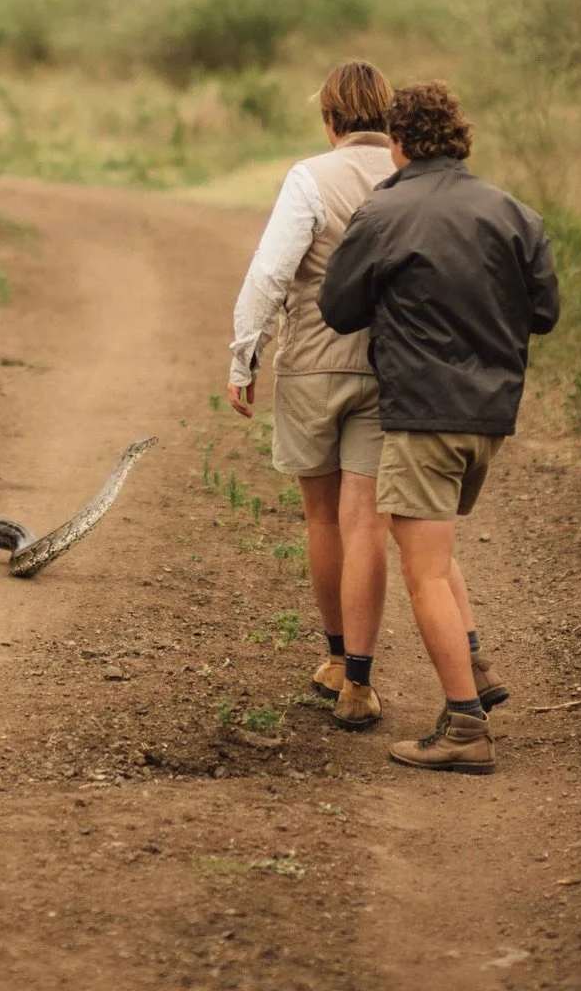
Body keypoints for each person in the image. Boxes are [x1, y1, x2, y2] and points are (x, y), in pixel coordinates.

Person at [318, 81, 559, 774]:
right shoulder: (515, 213)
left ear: (396, 142)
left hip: (423, 413)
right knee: (429, 544)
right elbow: (543, 314)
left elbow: (339, 308)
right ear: (460, 138)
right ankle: (474, 664)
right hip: (489, 417)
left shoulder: (385, 208)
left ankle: (465, 727)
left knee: (422, 571)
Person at [226, 59, 397, 731]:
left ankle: (333, 658)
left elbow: (270, 273)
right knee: (368, 524)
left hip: (313, 370)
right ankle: (360, 680)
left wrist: (245, 356)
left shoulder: (310, 177)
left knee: (323, 520)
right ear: (386, 117)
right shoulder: (411, 176)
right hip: (390, 371)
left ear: (330, 120)